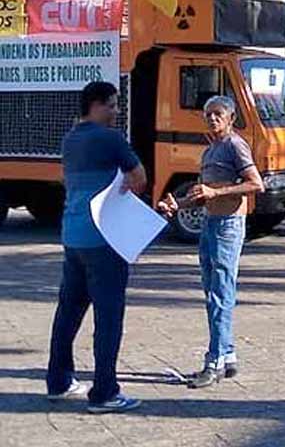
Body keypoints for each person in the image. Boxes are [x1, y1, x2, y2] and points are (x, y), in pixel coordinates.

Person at [47, 82, 148, 414]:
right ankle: (104, 392)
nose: (117, 112)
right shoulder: (110, 139)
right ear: (96, 105)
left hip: (73, 236)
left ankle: (59, 381)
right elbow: (139, 177)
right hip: (104, 239)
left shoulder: (70, 138)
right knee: (108, 317)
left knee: (68, 311)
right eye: (113, 105)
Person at [158, 96, 264, 388]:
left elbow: (256, 183)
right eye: (208, 115)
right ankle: (227, 356)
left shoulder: (234, 145)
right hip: (210, 223)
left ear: (230, 118)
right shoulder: (210, 151)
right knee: (212, 290)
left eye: (218, 114)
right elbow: (203, 193)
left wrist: (217, 194)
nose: (212, 119)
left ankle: (214, 361)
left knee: (220, 293)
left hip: (229, 224)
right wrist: (177, 204)